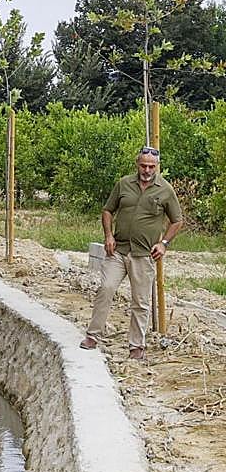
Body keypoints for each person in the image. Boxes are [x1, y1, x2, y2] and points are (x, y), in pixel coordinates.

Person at [81, 146, 183, 361]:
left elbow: (177, 220)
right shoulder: (124, 183)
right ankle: (93, 336)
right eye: (143, 165)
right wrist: (108, 235)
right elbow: (108, 210)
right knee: (106, 289)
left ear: (157, 167)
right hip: (117, 250)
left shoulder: (165, 190)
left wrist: (164, 243)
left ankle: (136, 347)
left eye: (151, 166)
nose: (147, 170)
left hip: (144, 255)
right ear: (137, 164)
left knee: (141, 301)